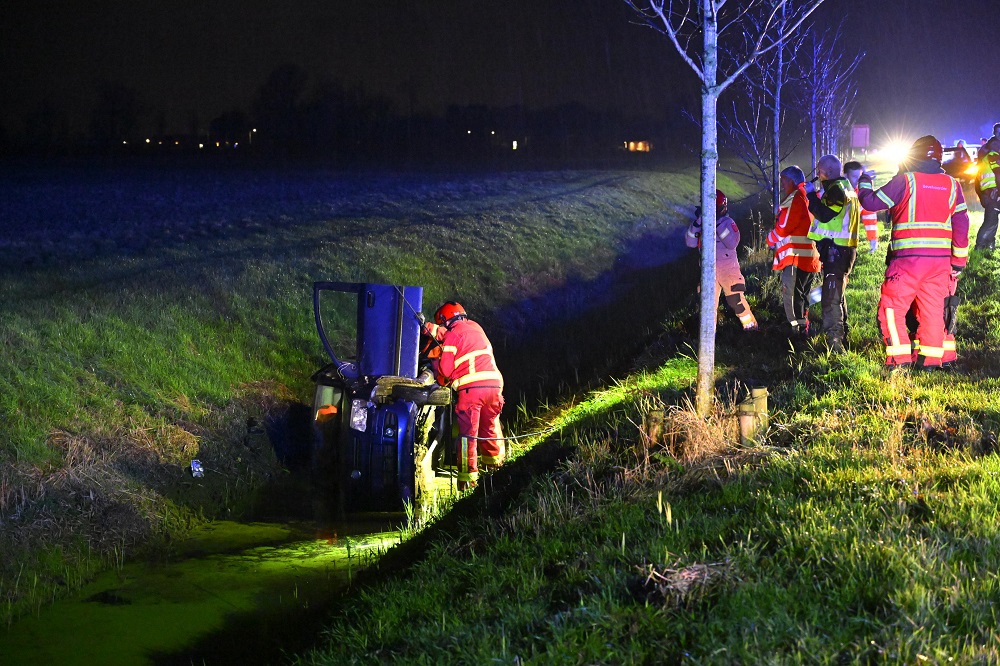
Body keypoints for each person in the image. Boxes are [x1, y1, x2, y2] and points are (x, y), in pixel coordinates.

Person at [857, 135, 970, 370]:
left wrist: (865, 180)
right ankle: (930, 362)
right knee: (933, 312)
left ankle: (899, 361)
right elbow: (962, 223)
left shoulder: (905, 181)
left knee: (892, 308)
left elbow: (870, 203)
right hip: (940, 264)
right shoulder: (952, 184)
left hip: (907, 262)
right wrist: (958, 261)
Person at [421, 302, 504, 490]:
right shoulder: (475, 327)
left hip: (472, 391)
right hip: (495, 386)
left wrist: (436, 368)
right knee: (489, 428)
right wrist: (428, 328)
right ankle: (495, 470)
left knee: (468, 436)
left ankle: (467, 482)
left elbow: (447, 370)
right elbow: (450, 334)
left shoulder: (451, 335)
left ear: (445, 320)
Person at [805, 154, 862, 353]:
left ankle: (835, 345)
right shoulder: (844, 187)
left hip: (837, 250)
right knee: (837, 294)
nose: (817, 174)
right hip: (842, 249)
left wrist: (811, 195)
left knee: (830, 298)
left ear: (828, 171)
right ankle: (842, 334)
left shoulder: (837, 189)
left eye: (819, 171)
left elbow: (825, 213)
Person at [685, 189, 758, 331]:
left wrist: (716, 224)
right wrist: (697, 224)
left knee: (736, 301)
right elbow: (690, 242)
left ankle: (751, 329)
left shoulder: (727, 222)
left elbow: (732, 242)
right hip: (708, 271)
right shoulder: (700, 225)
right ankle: (709, 336)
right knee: (707, 305)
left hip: (728, 271)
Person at [766, 165, 821, 335]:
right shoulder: (806, 195)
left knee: (792, 295)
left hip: (796, 258)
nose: (782, 184)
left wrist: (769, 239)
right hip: (808, 256)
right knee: (802, 294)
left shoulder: (795, 197)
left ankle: (796, 332)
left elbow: (783, 227)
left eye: (783, 180)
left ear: (791, 180)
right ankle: (803, 326)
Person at [844, 160, 879, 253]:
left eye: (860, 177)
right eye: (855, 177)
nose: (858, 180)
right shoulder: (839, 191)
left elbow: (870, 217)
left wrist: (873, 240)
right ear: (845, 176)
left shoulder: (860, 192)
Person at [974, 123, 1000, 250]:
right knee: (991, 220)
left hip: (987, 190)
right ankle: (980, 246)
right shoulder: (993, 151)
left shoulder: (986, 149)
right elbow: (998, 174)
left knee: (993, 218)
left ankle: (990, 244)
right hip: (993, 190)